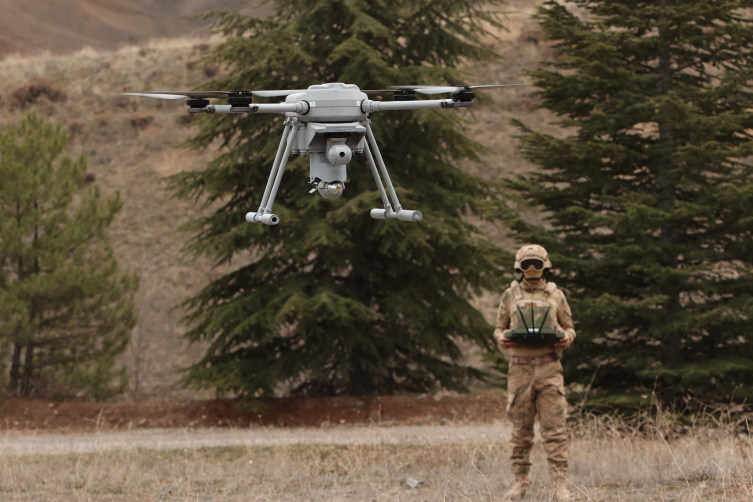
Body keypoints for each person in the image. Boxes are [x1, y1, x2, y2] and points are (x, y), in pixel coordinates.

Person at [494, 244, 575, 502]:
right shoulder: (510, 295)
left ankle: (560, 486)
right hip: (519, 369)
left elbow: (570, 328)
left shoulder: (556, 295)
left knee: (555, 430)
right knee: (520, 430)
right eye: (526, 264)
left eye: (536, 264)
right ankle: (520, 482)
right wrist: (502, 338)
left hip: (549, 369)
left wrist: (566, 337)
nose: (531, 268)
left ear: (545, 266)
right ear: (519, 267)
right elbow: (499, 328)